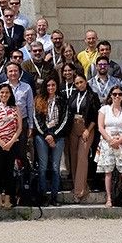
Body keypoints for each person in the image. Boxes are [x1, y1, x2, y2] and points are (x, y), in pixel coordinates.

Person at [32, 78, 69, 207]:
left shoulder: (62, 100)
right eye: (48, 85)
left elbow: (64, 119)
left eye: (53, 85)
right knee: (42, 167)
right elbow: (36, 120)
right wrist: (46, 134)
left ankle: (54, 196)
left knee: (55, 167)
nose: (50, 87)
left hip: (58, 136)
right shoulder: (39, 100)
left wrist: (54, 135)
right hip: (42, 136)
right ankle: (42, 195)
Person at [97, 87, 122, 207]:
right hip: (107, 142)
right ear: (111, 95)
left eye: (120, 94)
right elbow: (101, 127)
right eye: (114, 94)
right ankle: (109, 198)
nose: (117, 96)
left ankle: (121, 197)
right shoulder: (104, 109)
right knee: (108, 172)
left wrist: (119, 140)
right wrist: (110, 140)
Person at [66, 73, 100, 203]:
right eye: (76, 83)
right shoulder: (73, 95)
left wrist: (88, 130)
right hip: (73, 127)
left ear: (86, 82)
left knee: (82, 156)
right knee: (73, 157)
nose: (79, 85)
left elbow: (95, 115)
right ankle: (77, 185)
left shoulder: (92, 96)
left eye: (81, 82)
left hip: (86, 127)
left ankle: (79, 191)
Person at [0, 83, 21, 210]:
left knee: (9, 171)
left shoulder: (15, 108)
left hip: (12, 144)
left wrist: (10, 142)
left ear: (10, 94)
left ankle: (8, 198)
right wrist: (0, 141)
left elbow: (19, 128)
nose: (4, 95)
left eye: (7, 92)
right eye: (2, 92)